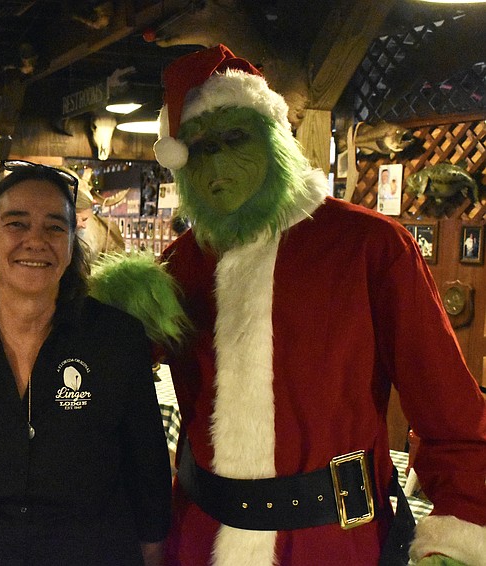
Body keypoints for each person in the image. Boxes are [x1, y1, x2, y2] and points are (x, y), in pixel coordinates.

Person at [94, 44, 486, 565]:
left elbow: (450, 412)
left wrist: (460, 530)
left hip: (333, 545)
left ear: (274, 139)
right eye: (198, 148)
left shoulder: (368, 246)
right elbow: (105, 389)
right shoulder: (181, 264)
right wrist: (110, 315)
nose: (217, 164)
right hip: (200, 539)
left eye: (235, 138)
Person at [0, 160, 172, 565]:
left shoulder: (117, 339)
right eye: (17, 224)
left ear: (70, 245)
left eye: (54, 227)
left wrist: (152, 549)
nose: (36, 240)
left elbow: (148, 464)